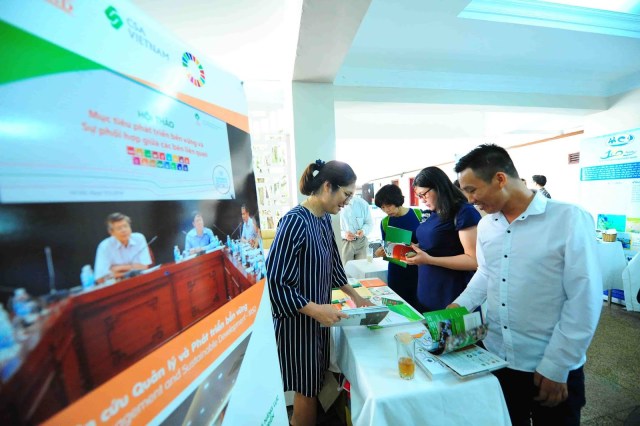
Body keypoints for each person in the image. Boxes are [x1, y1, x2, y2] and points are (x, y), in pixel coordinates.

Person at [452, 144, 601, 426]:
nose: (470, 200)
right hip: (497, 357)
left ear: (500, 178)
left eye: (472, 190)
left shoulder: (569, 218)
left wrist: (557, 365)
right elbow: (487, 272)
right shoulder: (487, 226)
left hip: (547, 362)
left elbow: (584, 298)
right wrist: (459, 306)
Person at [266, 159, 373, 426]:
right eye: (346, 194)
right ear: (327, 186)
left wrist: (356, 296)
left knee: (313, 384)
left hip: (318, 319)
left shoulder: (323, 219)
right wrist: (316, 310)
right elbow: (276, 283)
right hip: (298, 324)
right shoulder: (294, 222)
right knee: (305, 390)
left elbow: (334, 266)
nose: (347, 202)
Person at [404, 167, 481, 312]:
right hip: (428, 290)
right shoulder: (435, 212)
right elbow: (439, 244)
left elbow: (473, 260)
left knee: (451, 326)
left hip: (451, 292)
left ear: (438, 187)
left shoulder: (464, 212)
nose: (422, 200)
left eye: (424, 194)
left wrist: (429, 260)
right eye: (419, 196)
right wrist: (415, 247)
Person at [373, 184, 421, 308]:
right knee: (398, 307)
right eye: (382, 207)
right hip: (396, 271)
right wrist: (380, 252)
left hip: (418, 270)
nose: (386, 210)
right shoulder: (385, 222)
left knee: (418, 306)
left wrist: (417, 246)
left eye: (388, 205)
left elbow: (430, 242)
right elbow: (386, 246)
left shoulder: (418, 215)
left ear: (397, 200)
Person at [94, 212, 152, 281]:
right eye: (119, 228)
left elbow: (145, 267)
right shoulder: (104, 246)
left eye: (125, 226)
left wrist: (117, 268)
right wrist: (132, 269)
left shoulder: (139, 238)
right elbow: (100, 278)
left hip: (141, 280)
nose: (124, 230)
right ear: (111, 232)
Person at [339, 191, 373, 266]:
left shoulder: (362, 203)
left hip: (362, 242)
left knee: (364, 267)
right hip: (344, 243)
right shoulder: (336, 204)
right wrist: (344, 234)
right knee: (345, 269)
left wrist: (363, 230)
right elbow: (333, 228)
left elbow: (369, 223)